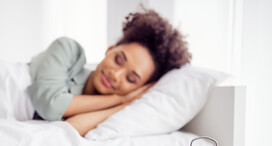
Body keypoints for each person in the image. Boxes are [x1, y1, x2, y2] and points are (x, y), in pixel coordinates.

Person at [26, 9, 191, 136]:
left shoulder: (106, 111)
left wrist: (125, 104)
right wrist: (119, 98)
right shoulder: (68, 50)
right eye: (118, 60)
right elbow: (51, 105)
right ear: (110, 49)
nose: (116, 75)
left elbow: (66, 131)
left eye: (131, 79)